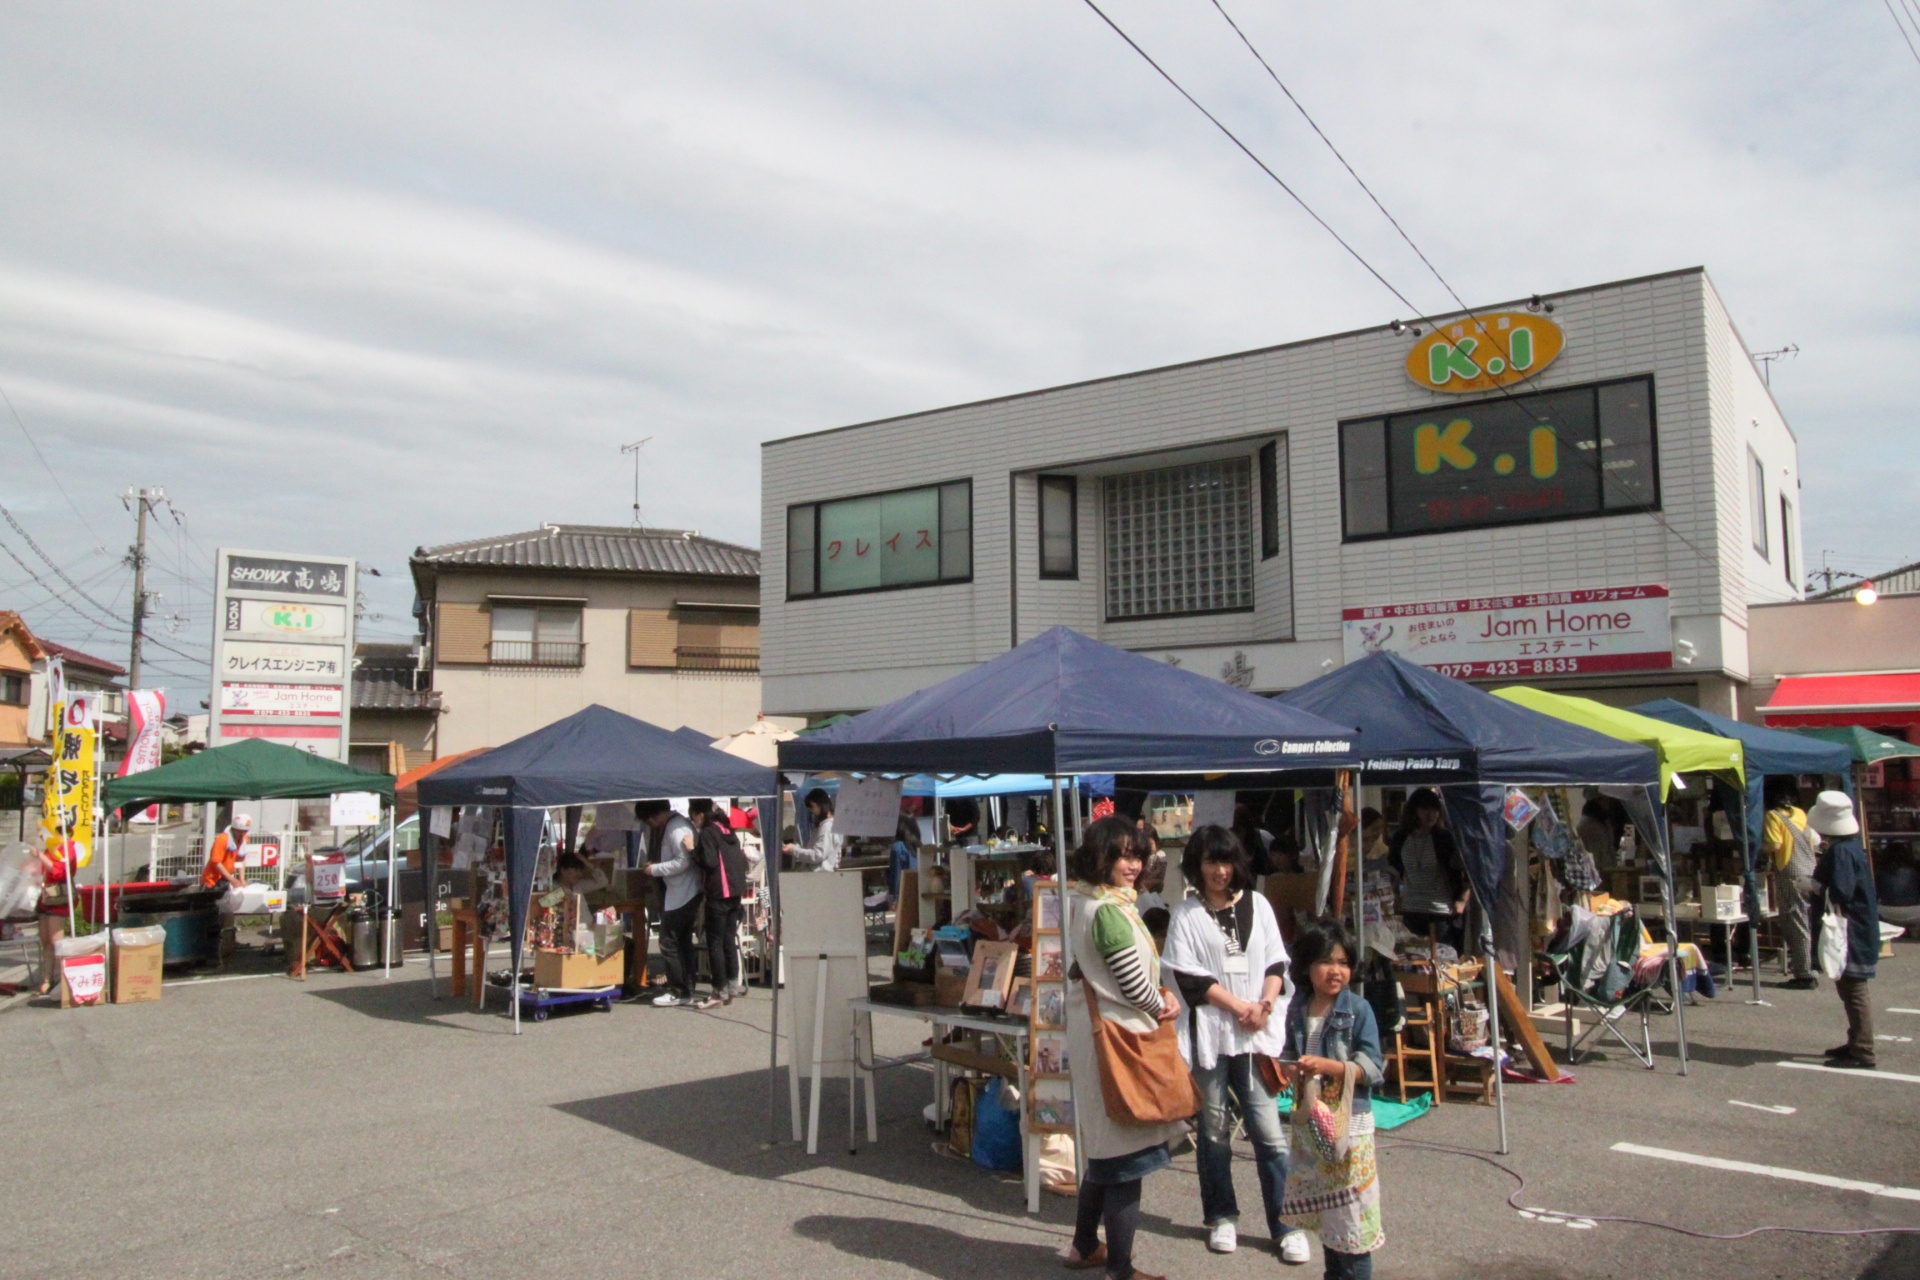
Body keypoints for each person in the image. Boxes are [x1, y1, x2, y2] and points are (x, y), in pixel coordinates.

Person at [1162, 824, 1308, 1264]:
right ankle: (1221, 1217)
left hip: (1255, 1035)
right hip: (1211, 1035)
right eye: (1210, 861)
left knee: (1268, 1132)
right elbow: (1185, 974)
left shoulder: (1259, 904)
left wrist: (1262, 1003)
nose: (1219, 871)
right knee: (1213, 1129)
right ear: (1196, 865)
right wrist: (1237, 1007)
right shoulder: (1186, 914)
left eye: (1225, 861)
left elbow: (1277, 959)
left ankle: (1287, 1225)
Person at [1061, 815, 1185, 1280]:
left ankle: (1082, 1245)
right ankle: (1121, 1269)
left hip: (1098, 1038)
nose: (1132, 865)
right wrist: (1164, 1004)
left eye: (1137, 855)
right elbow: (1133, 984)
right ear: (1101, 858)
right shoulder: (1108, 911)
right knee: (1125, 1161)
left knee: (1101, 1151)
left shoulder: (1086, 901)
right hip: (1120, 1042)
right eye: (1122, 855)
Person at [1281, 921, 1385, 1280]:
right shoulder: (1298, 1008)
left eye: (1343, 962)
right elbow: (1287, 1055)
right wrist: (1286, 1070)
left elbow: (1373, 1067)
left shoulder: (1358, 1010)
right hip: (1312, 1127)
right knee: (1329, 1219)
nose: (1336, 971)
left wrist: (1328, 1067)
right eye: (1327, 961)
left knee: (1353, 1225)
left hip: (1349, 1130)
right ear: (1306, 967)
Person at [1809, 792, 1880, 1069]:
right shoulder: (1850, 848)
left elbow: (1841, 891)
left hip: (1850, 930)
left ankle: (1863, 1049)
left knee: (1854, 989)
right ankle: (1856, 1042)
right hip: (1856, 927)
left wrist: (1814, 887)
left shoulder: (1841, 852)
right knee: (1850, 988)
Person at [1386, 790, 1467, 951]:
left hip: (1441, 911)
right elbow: (1394, 870)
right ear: (1414, 811)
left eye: (1435, 810)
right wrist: (1394, 895)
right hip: (1410, 909)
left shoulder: (1444, 838)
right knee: (1413, 957)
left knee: (1444, 958)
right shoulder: (1401, 837)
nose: (1431, 815)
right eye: (1425, 809)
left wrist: (1463, 900)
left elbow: (1466, 871)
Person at [639, 800, 702, 1007]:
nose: (651, 824)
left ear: (655, 816)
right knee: (682, 942)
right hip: (682, 891)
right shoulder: (676, 824)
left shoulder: (676, 828)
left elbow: (683, 861)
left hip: (683, 892)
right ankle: (686, 988)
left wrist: (655, 869)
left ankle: (678, 990)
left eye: (650, 820)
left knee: (668, 942)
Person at [691, 801, 751, 1008]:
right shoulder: (726, 829)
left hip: (719, 893)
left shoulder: (708, 832)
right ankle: (732, 987)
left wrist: (692, 851)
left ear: (700, 815)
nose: (694, 822)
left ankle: (719, 991)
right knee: (728, 941)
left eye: (693, 818)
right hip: (735, 893)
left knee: (714, 943)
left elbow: (709, 861)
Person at [1765, 782, 1822, 990]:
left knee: (1795, 922)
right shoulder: (1800, 813)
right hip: (1809, 868)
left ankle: (1804, 973)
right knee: (1807, 919)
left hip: (1790, 872)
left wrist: (1761, 845)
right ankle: (1811, 964)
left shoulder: (1773, 816)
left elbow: (1775, 844)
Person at [34, 841, 72, 996]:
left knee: (57, 941)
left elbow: (59, 872)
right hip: (44, 898)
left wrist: (39, 856)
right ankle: (47, 980)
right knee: (46, 940)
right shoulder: (50, 847)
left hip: (58, 898)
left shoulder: (67, 846)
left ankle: (64, 978)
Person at [783, 788, 842, 872]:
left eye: (812, 807)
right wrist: (795, 849)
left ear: (820, 805)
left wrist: (794, 850)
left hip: (820, 877)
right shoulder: (826, 825)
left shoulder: (827, 826)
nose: (812, 811)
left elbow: (817, 855)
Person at [200, 813, 252, 892]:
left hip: (225, 879)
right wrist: (232, 879)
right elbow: (216, 862)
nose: (242, 834)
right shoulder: (222, 839)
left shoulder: (244, 839)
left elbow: (241, 860)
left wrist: (241, 879)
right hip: (211, 881)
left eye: (245, 831)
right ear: (234, 829)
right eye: (240, 831)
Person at [887, 813, 920, 907]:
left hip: (904, 894)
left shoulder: (898, 847)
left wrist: (893, 899)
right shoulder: (919, 846)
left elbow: (896, 875)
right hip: (918, 891)